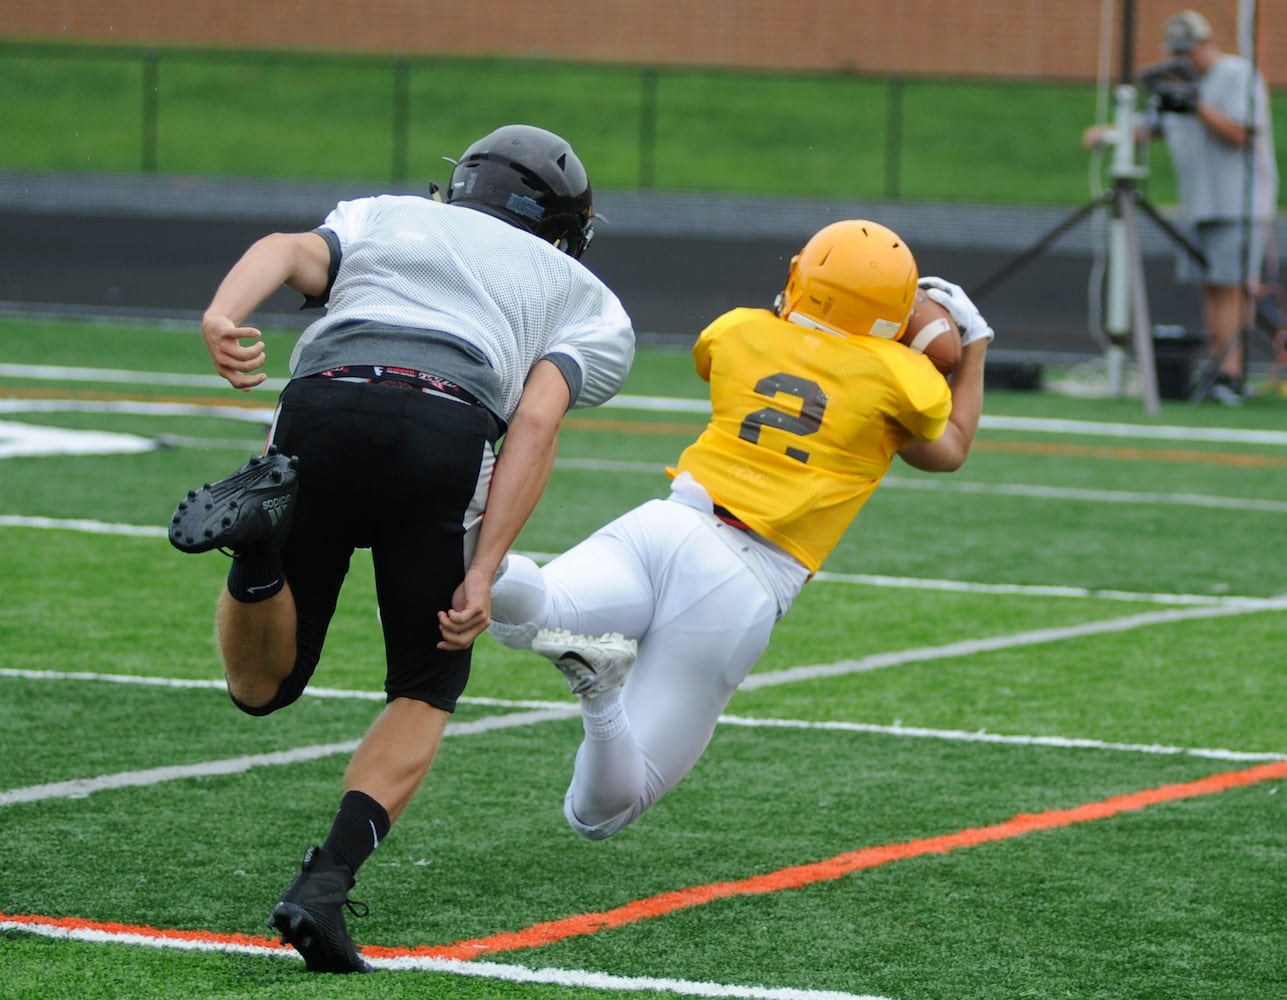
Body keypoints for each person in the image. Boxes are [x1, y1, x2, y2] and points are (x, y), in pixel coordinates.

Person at [166, 124, 634, 972]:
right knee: (427, 679)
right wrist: (485, 569)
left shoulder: (387, 215)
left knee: (261, 686)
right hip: (443, 421)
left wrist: (222, 314)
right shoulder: (583, 294)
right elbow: (533, 420)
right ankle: (326, 883)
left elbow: (283, 248)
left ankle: (261, 554)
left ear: (467, 184)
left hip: (319, 401)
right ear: (563, 224)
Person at [485, 219, 991, 842]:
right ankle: (600, 693)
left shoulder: (740, 329)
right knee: (600, 813)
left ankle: (468, 531)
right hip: (743, 580)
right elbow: (949, 447)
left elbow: (800, 357)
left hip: (668, 523)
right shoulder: (900, 379)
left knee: (519, 615)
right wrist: (975, 345)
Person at [1083, 9, 1279, 406]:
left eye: (1190, 51)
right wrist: (1108, 134)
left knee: (1232, 289)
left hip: (1238, 203)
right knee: (1212, 289)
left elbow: (1242, 133)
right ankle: (1218, 369)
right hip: (1199, 206)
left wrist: (1196, 104)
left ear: (1206, 44)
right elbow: (1144, 127)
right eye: (1177, 52)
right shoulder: (1177, 83)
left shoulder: (1238, 76)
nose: (1185, 60)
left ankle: (1231, 376)